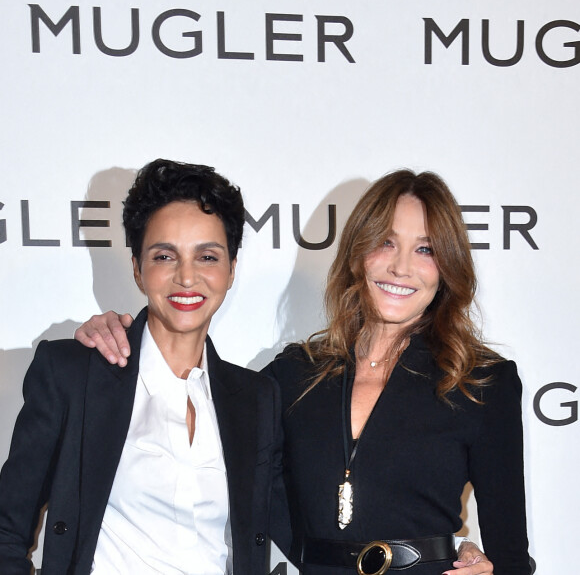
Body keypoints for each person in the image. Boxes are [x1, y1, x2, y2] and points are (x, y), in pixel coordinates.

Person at [73, 171, 519, 574]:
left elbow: (512, 555)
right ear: (357, 253)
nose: (401, 266)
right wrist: (117, 333)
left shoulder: (482, 382)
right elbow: (204, 400)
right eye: (385, 241)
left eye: (425, 249)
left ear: (448, 267)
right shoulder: (294, 374)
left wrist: (479, 561)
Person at [0, 159, 285, 574]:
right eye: (165, 256)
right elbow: (6, 530)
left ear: (231, 269)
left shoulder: (258, 400)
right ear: (137, 268)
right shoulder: (72, 376)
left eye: (207, 256)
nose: (187, 278)